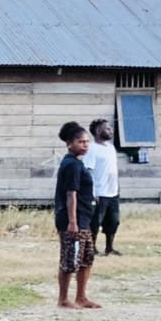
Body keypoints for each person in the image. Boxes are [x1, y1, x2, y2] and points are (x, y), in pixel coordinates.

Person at [55, 121, 99, 309]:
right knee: (70, 259)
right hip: (73, 219)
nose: (85, 145)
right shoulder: (71, 165)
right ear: (69, 143)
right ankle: (63, 299)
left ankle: (81, 296)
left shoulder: (79, 163)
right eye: (81, 142)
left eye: (87, 142)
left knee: (86, 258)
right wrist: (72, 222)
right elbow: (71, 194)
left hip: (85, 218)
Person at [84, 118, 121, 255]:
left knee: (114, 221)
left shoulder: (111, 148)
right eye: (107, 129)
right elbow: (88, 171)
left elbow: (113, 169)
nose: (111, 131)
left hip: (113, 192)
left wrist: (118, 186)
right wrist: (93, 192)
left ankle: (109, 247)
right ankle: (91, 247)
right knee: (95, 222)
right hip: (100, 192)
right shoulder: (92, 149)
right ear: (98, 131)